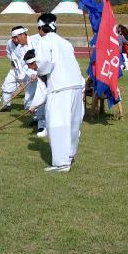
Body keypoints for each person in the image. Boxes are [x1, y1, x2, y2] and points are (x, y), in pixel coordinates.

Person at [30, 13, 84, 172]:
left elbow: (45, 64)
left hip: (60, 86)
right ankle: (69, 155)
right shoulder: (65, 42)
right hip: (75, 84)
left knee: (58, 123)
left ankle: (61, 163)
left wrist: (38, 72)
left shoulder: (44, 41)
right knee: (73, 124)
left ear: (40, 28)